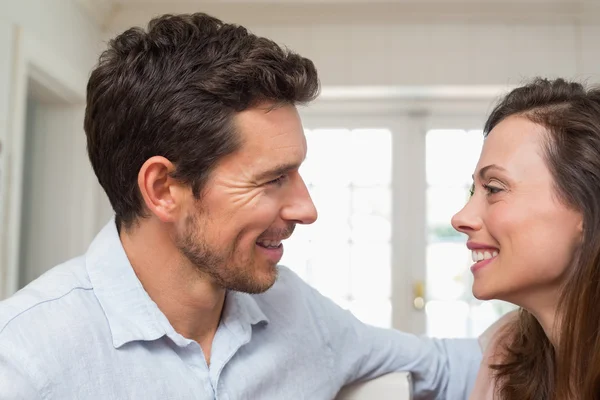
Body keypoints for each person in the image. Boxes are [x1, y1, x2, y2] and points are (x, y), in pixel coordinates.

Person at [0, 13, 481, 399]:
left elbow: (445, 368)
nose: (307, 209)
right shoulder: (25, 359)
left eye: (297, 173)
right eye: (273, 179)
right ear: (164, 188)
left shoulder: (296, 313)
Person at [452, 78, 600, 399]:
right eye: (473, 191)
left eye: (493, 188)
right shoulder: (505, 350)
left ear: (588, 211)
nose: (460, 218)